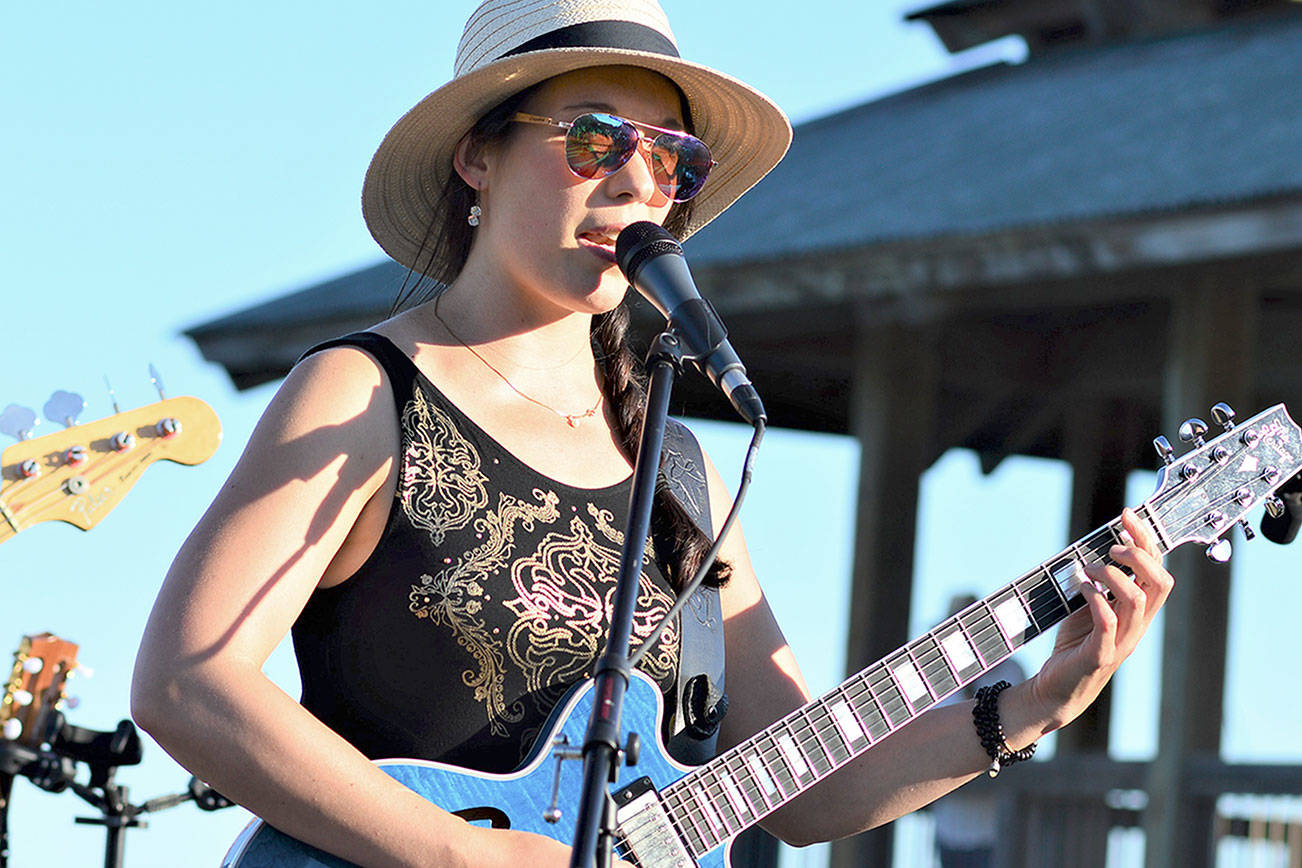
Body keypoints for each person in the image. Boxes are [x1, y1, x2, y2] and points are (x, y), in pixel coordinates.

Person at [129, 1, 1177, 866]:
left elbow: (797, 784)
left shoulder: (673, 464)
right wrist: (469, 857)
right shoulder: (362, 392)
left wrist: (1033, 702)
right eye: (594, 138)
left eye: (672, 157)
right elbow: (184, 680)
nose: (638, 180)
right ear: (476, 160)